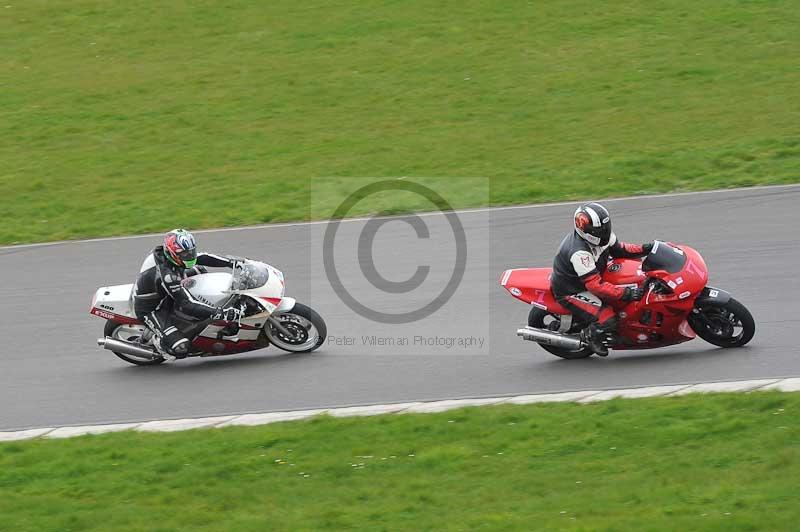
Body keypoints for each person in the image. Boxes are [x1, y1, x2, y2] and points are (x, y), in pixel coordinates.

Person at [550, 203, 653, 356]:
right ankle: (591, 335)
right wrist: (627, 293)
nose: (604, 232)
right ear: (585, 229)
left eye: (606, 227)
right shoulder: (580, 254)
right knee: (608, 318)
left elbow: (621, 249)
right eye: (599, 230)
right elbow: (595, 286)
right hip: (572, 290)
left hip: (594, 274)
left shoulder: (600, 238)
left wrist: (648, 248)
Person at [132, 229, 241, 360]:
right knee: (180, 348)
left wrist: (234, 262)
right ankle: (159, 342)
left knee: (200, 270)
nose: (189, 256)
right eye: (184, 254)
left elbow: (203, 257)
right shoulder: (167, 276)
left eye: (191, 251)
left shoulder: (171, 256)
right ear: (172, 253)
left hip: (164, 291)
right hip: (152, 308)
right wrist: (220, 313)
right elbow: (187, 304)